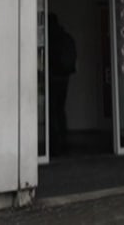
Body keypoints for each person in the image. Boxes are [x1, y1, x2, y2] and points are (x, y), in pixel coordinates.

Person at [47, 13, 75, 156]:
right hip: (64, 78)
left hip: (52, 77)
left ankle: (53, 143)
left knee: (51, 110)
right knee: (60, 109)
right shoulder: (66, 37)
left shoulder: (50, 37)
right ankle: (63, 139)